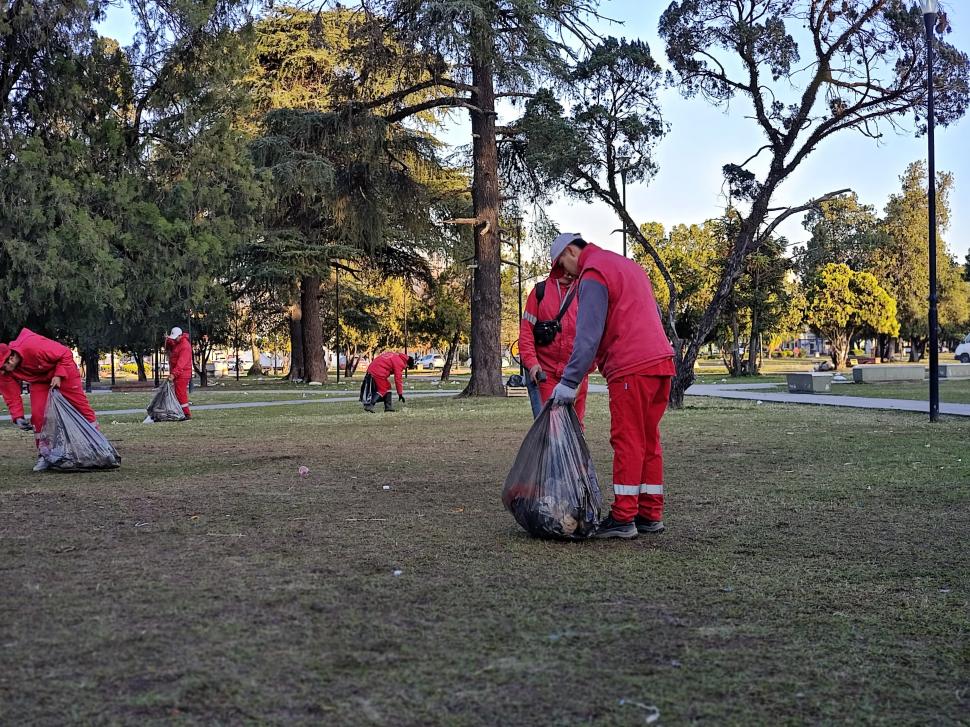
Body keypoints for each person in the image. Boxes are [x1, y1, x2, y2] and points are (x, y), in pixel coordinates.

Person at [550, 233, 675, 539]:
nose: (566, 274)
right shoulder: (628, 266)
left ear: (570, 250)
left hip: (631, 367)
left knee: (628, 439)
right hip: (660, 362)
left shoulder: (594, 272)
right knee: (648, 440)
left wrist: (569, 381)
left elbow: (588, 335)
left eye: (563, 265)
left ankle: (623, 518)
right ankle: (649, 513)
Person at [0, 328, 100, 471]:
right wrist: (17, 416)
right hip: (39, 379)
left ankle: (98, 446)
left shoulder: (33, 345)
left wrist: (58, 375)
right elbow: (10, 394)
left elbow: (65, 353)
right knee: (39, 416)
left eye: (3, 368)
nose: (2, 372)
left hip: (64, 371)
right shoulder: (4, 370)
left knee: (81, 409)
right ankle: (45, 455)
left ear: (11, 358)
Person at [518, 261, 591, 424]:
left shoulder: (585, 293)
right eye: (563, 266)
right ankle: (551, 450)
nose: (568, 271)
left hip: (576, 374)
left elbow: (595, 337)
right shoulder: (540, 292)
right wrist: (532, 364)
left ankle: (573, 450)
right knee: (550, 426)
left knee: (575, 425)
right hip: (546, 374)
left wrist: (585, 369)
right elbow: (526, 334)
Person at [164, 327, 192, 419]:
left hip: (182, 373)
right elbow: (172, 344)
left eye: (176, 337)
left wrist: (173, 374)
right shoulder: (178, 342)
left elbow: (181, 364)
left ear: (180, 335)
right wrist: (167, 339)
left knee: (180, 393)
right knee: (177, 393)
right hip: (178, 373)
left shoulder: (185, 346)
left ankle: (186, 414)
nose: (175, 339)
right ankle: (181, 412)